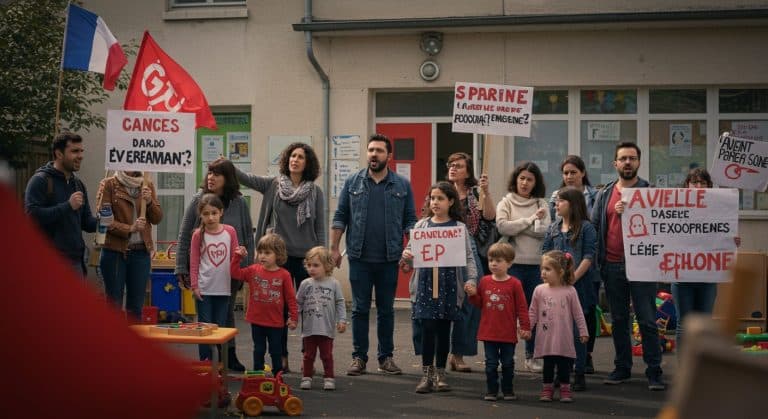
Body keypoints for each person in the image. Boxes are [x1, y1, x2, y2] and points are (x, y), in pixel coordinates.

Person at [331, 133, 418, 376]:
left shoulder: (402, 185)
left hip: (389, 259)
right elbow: (340, 217)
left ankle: (385, 357)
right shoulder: (353, 182)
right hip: (359, 258)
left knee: (386, 310)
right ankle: (359, 358)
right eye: (370, 150)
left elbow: (410, 221)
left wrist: (411, 249)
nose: (374, 154)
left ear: (388, 156)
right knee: (359, 310)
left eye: (379, 151)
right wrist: (334, 249)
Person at [235, 142, 325, 372]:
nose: (295, 160)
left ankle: (307, 357)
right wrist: (226, 163)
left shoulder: (315, 192)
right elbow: (246, 178)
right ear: (287, 160)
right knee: (281, 310)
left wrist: (322, 257)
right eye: (292, 156)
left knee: (308, 309)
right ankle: (282, 357)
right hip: (280, 258)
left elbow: (320, 227)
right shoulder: (274, 185)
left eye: (301, 157)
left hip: (306, 258)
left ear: (308, 163)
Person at [591, 142, 665, 391]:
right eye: (623, 158)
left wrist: (637, 209)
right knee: (620, 319)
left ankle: (654, 371)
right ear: (615, 163)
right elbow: (595, 226)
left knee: (647, 320)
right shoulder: (604, 194)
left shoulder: (651, 192)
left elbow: (663, 224)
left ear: (639, 162)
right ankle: (622, 367)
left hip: (643, 265)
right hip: (612, 265)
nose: (627, 163)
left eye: (632, 158)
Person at [176, 159, 254, 371]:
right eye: (209, 173)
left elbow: (247, 236)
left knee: (227, 315)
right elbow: (185, 236)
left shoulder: (239, 202)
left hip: (232, 272)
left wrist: (247, 270)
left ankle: (229, 356)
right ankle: (209, 361)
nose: (211, 177)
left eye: (217, 174)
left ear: (227, 178)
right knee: (207, 319)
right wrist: (181, 268)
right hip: (204, 274)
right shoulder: (197, 200)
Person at [401, 181, 478, 393]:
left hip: (449, 286)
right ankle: (426, 374)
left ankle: (441, 373)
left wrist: (471, 280)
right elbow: (408, 258)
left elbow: (469, 259)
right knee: (427, 330)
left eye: (440, 198)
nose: (435, 202)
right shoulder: (421, 226)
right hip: (425, 285)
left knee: (444, 331)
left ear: (451, 201)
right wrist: (406, 257)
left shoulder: (458, 228)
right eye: (432, 198)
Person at [672, 168, 740, 348]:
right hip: (682, 277)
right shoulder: (675, 208)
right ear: (687, 185)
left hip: (708, 277)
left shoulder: (719, 210)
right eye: (695, 182)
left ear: (709, 186)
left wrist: (731, 242)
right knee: (683, 325)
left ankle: (699, 370)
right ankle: (684, 370)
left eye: (703, 182)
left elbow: (723, 235)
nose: (699, 186)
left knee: (705, 325)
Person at [495, 161, 551, 372]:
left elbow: (544, 231)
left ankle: (532, 356)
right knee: (507, 314)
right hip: (513, 266)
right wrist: (529, 221)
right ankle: (505, 356)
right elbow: (502, 226)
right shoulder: (506, 202)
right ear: (515, 180)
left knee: (534, 314)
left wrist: (517, 226)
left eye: (529, 179)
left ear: (535, 182)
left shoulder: (541, 204)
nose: (525, 183)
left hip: (537, 267)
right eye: (522, 178)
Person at [542, 187, 597, 391]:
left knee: (576, 332)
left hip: (578, 287)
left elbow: (589, 256)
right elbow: (546, 252)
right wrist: (551, 277)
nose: (556, 204)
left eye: (561, 201)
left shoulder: (586, 228)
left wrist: (572, 278)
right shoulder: (553, 227)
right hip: (556, 289)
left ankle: (579, 371)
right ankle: (561, 373)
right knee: (557, 331)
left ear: (572, 204)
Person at [444, 152, 495, 372]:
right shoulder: (441, 191)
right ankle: (438, 354)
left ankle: (458, 354)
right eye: (451, 164)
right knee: (443, 303)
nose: (453, 168)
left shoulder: (476, 193)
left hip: (470, 251)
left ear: (468, 171)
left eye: (459, 166)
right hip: (445, 250)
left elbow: (491, 217)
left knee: (470, 302)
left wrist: (486, 191)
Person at [24, 132, 97, 276]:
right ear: (59, 154)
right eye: (75, 151)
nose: (80, 156)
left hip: (76, 262)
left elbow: (87, 222)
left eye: (81, 151)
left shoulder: (78, 184)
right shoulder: (40, 180)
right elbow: (31, 217)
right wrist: (67, 206)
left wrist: (105, 222)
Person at [465, 242, 531, 402]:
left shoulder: (515, 283)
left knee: (508, 363)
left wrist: (525, 327)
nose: (493, 263)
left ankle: (508, 390)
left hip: (507, 332)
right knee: (491, 364)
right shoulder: (485, 281)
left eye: (498, 260)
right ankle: (492, 390)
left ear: (509, 263)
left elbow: (522, 308)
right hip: (489, 332)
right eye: (491, 260)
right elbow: (479, 304)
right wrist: (473, 295)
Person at [98, 171, 163, 321]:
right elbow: (104, 220)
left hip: (140, 253)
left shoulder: (147, 185)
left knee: (136, 308)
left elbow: (157, 218)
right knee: (114, 305)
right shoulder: (109, 184)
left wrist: (150, 201)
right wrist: (130, 228)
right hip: (115, 252)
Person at [231, 233, 298, 374]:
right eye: (260, 252)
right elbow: (235, 273)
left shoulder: (284, 275)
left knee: (276, 350)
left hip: (275, 322)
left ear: (278, 254)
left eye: (267, 253)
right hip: (257, 320)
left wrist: (294, 318)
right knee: (259, 349)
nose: (262, 256)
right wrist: (237, 257)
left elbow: (291, 298)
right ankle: (257, 376)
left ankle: (277, 376)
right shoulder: (253, 270)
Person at [529, 250, 589, 403]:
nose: (543, 272)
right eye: (542, 268)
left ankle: (565, 390)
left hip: (563, 337)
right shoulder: (539, 290)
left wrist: (583, 331)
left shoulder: (570, 291)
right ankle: (547, 390)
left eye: (548, 269)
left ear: (560, 271)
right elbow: (533, 312)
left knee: (564, 366)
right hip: (546, 337)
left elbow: (578, 313)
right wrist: (527, 328)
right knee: (547, 365)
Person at [189, 194, 240, 362]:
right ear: (200, 215)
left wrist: (240, 255)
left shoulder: (230, 231)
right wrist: (195, 286)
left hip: (223, 288)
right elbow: (194, 261)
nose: (210, 217)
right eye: (206, 214)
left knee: (219, 328)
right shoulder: (198, 235)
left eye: (214, 213)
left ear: (221, 212)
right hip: (204, 288)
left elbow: (234, 258)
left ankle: (218, 365)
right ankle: (205, 363)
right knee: (204, 328)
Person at [296, 246, 347, 391]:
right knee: (308, 355)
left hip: (327, 328)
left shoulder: (334, 283)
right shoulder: (305, 284)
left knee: (326, 355)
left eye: (316, 265)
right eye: (309, 265)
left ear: (326, 265)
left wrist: (342, 320)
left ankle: (329, 378)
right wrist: (293, 318)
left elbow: (340, 302)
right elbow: (298, 302)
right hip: (309, 329)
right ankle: (306, 377)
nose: (311, 268)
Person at [548, 155, 598, 221]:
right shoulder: (556, 196)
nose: (569, 177)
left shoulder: (595, 195)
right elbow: (552, 222)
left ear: (583, 173)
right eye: (566, 173)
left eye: (573, 172)